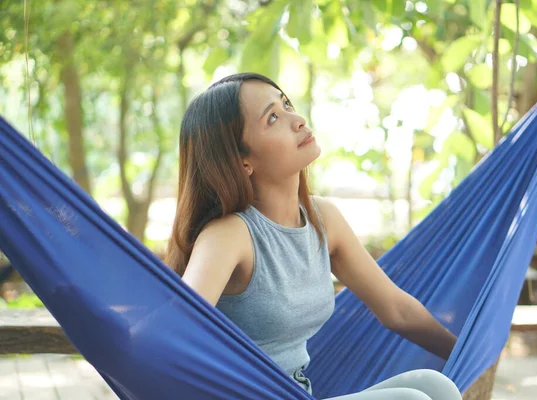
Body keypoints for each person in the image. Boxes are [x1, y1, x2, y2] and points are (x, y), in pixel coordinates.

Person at [165, 72, 462, 400]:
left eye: (287, 104)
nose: (297, 119)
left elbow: (397, 310)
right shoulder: (229, 235)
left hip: (300, 393)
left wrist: (464, 351)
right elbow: (178, 332)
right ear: (242, 160)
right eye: (273, 117)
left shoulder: (323, 219)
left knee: (438, 387)